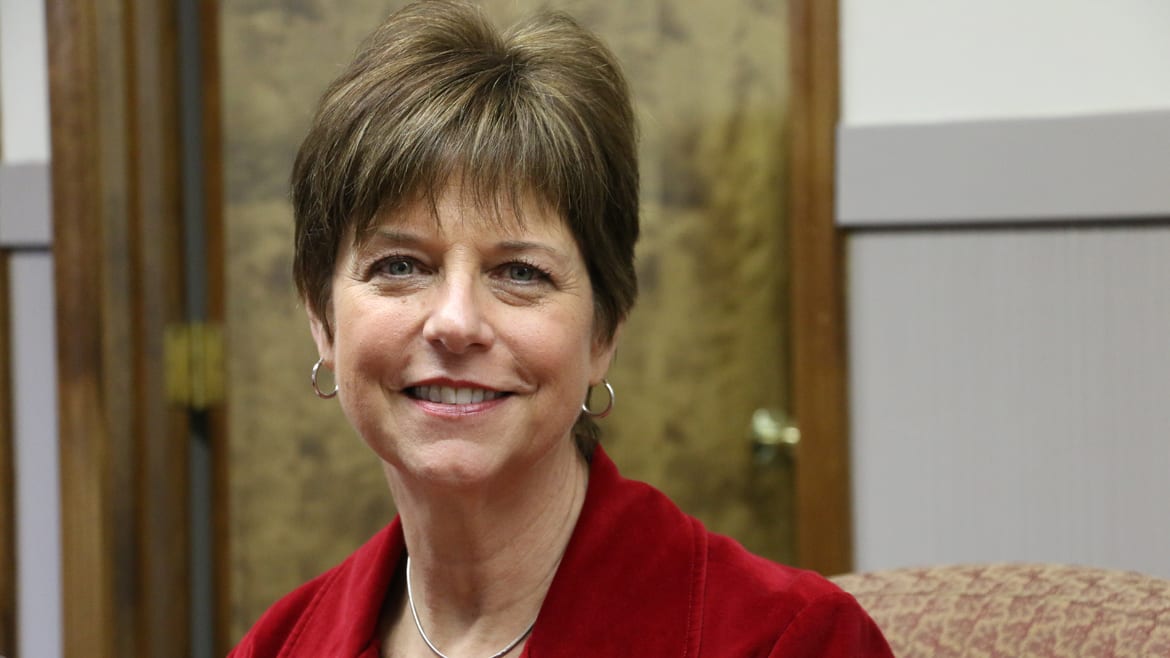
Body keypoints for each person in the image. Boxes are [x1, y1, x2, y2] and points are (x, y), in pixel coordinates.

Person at [230, 1, 893, 656]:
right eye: (400, 266)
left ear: (605, 331)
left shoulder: (792, 640)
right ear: (322, 319)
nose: (455, 322)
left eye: (520, 272)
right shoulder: (277, 646)